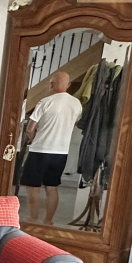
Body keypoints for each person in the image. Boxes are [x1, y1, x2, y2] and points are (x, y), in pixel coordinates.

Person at [20, 71, 81, 225]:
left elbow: (30, 129)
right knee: (52, 187)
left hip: (40, 150)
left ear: (51, 84)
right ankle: (48, 221)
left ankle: (33, 218)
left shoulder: (45, 102)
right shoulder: (76, 104)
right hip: (61, 152)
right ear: (68, 85)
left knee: (32, 186)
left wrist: (33, 140)